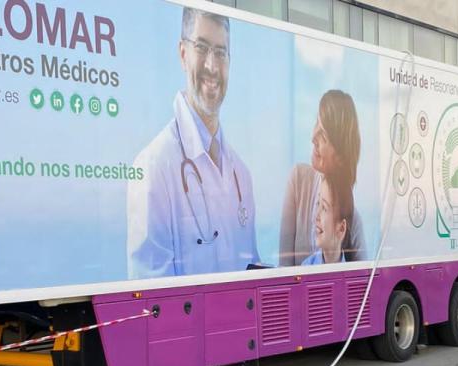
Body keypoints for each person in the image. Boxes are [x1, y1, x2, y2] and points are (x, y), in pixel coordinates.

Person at [127, 8, 258, 279]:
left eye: (221, 53)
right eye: (202, 47)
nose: (212, 66)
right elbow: (152, 296)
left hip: (239, 321)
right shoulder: (153, 166)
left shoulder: (241, 174)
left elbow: (252, 271)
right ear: (183, 54)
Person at [279, 90, 365, 266]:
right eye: (316, 123)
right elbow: (283, 269)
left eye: (323, 135)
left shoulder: (352, 218)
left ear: (340, 155)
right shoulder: (298, 180)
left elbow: (365, 282)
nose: (313, 138)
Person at [302, 176, 354, 265]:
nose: (316, 216)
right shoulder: (306, 268)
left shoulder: (355, 272)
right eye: (318, 203)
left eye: (324, 208)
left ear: (341, 228)